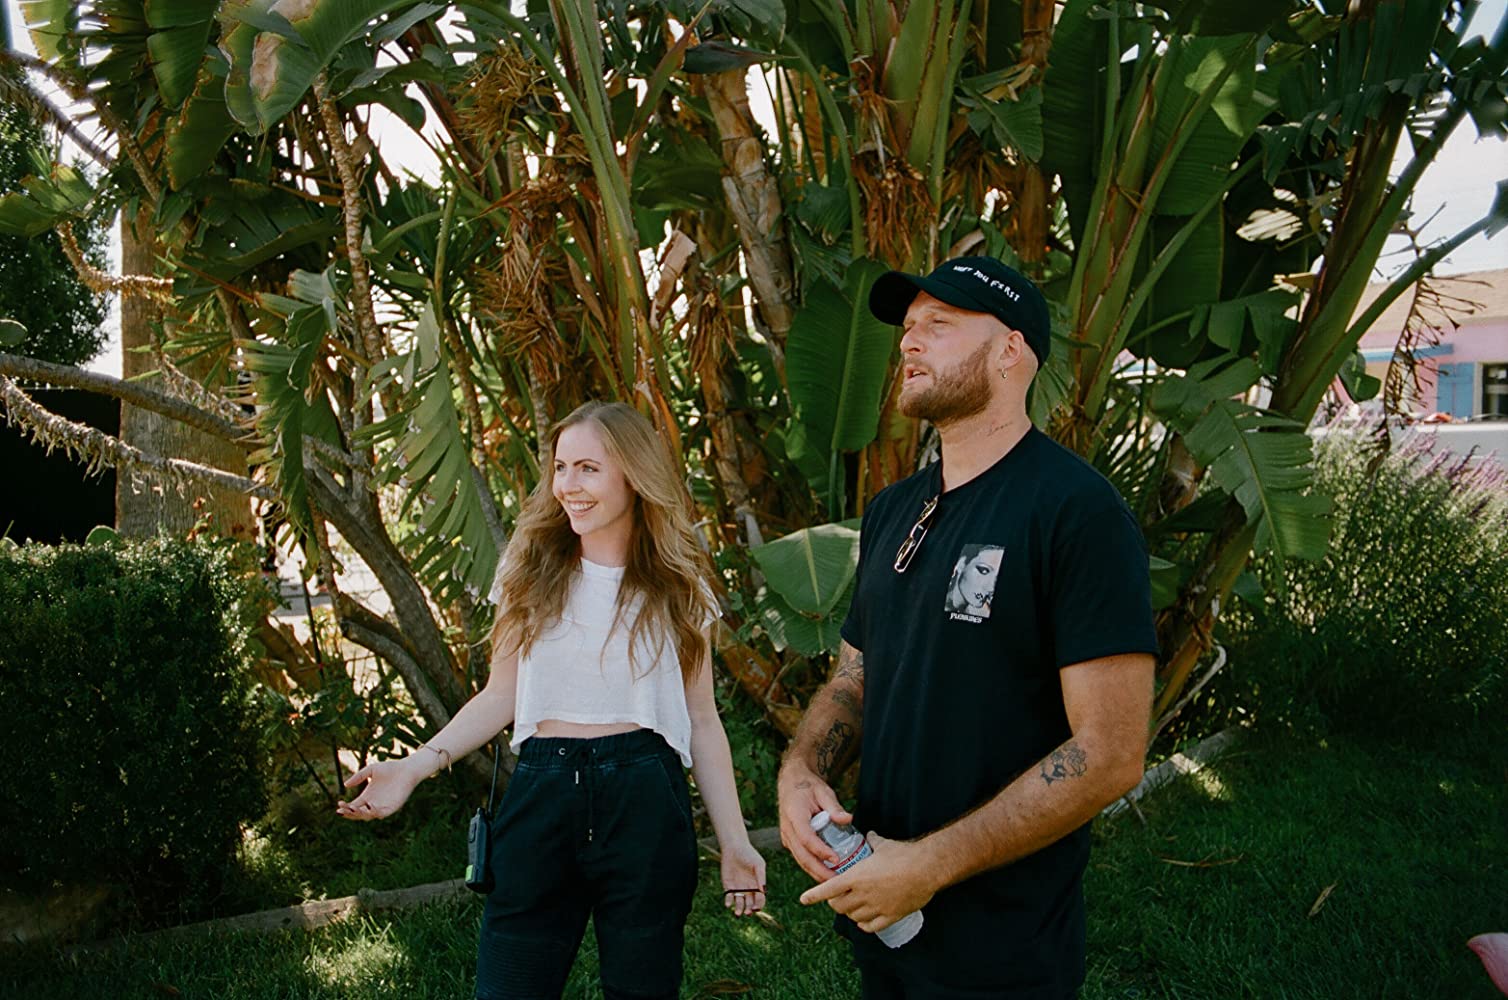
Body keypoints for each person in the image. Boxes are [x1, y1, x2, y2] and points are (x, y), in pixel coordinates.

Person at [776, 256, 1159, 1000]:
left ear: (1010, 351)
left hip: (1003, 946)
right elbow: (856, 675)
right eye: (908, 326)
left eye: (939, 324)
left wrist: (928, 867)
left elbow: (1110, 755)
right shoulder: (893, 509)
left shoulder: (1077, 514)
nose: (909, 342)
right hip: (881, 908)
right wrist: (803, 769)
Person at [338, 400, 767, 1000]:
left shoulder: (678, 584)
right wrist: (414, 766)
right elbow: (502, 694)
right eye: (561, 468)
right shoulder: (529, 569)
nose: (568, 486)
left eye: (588, 468)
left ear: (633, 475)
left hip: (646, 800)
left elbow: (701, 719)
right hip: (542, 793)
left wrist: (736, 842)